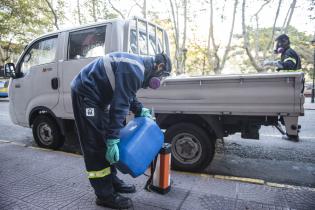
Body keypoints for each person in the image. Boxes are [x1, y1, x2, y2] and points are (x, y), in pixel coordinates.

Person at [71, 52, 172, 209]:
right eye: (162, 76)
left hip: (97, 99)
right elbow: (120, 106)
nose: (159, 81)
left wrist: (139, 109)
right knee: (95, 145)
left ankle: (112, 181)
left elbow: (126, 93)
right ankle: (104, 195)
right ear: (158, 67)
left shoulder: (137, 68)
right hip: (86, 94)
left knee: (103, 140)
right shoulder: (135, 69)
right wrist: (113, 138)